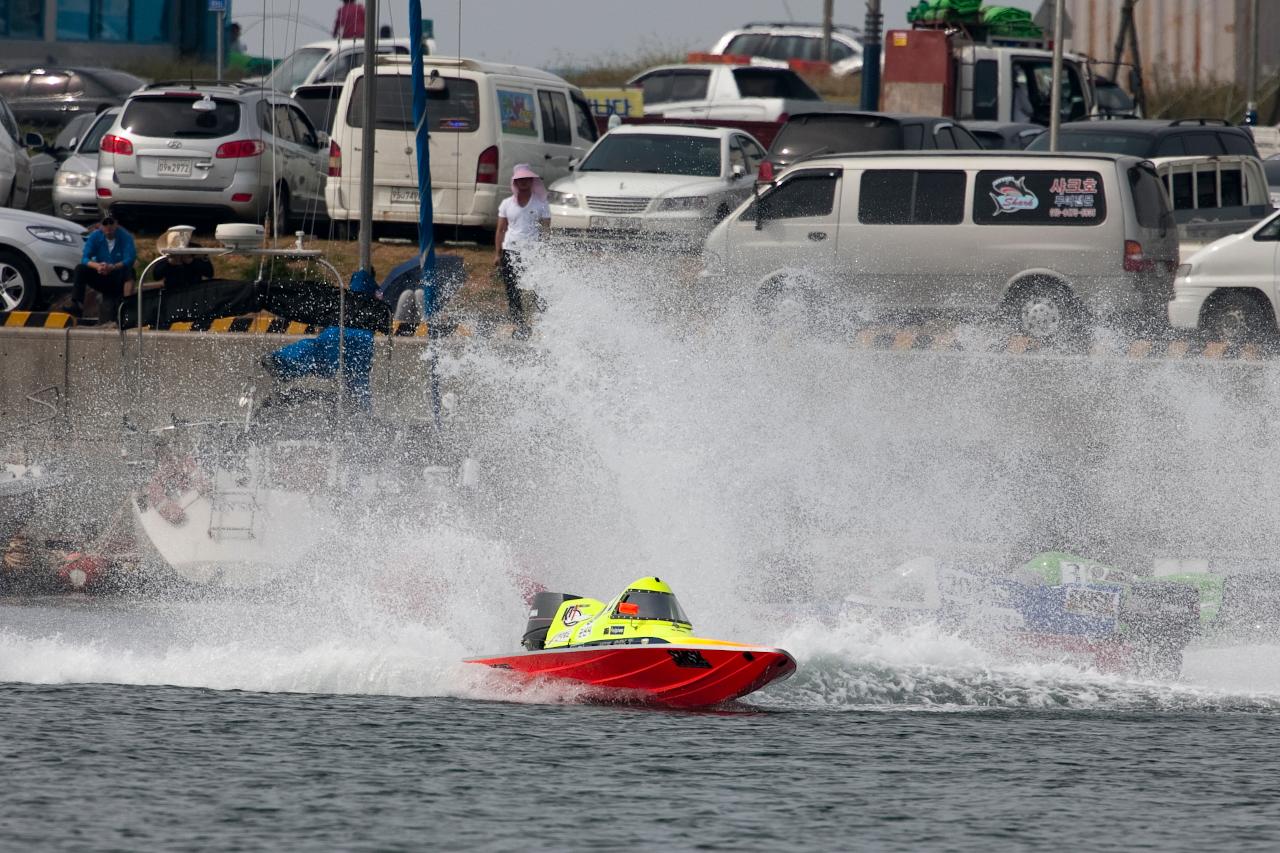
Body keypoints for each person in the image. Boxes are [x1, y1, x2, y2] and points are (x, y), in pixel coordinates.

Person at [493, 164, 550, 338]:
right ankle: (519, 325)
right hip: (511, 251)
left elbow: (546, 230)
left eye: (526, 179)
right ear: (515, 183)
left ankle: (545, 323)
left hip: (531, 251)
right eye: (520, 180)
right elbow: (501, 229)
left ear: (532, 181)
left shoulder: (541, 204)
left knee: (538, 288)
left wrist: (544, 251)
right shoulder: (506, 204)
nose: (523, 183)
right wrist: (497, 253)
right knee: (512, 290)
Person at [70, 216, 136, 323]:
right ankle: (77, 305)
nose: (108, 226)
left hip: (118, 276)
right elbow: (85, 258)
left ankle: (127, 306)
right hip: (102, 275)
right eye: (105, 224)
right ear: (101, 226)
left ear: (116, 224)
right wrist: (98, 266)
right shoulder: (95, 236)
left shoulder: (125, 236)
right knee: (80, 269)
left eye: (111, 223)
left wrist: (113, 267)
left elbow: (130, 258)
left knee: (130, 271)